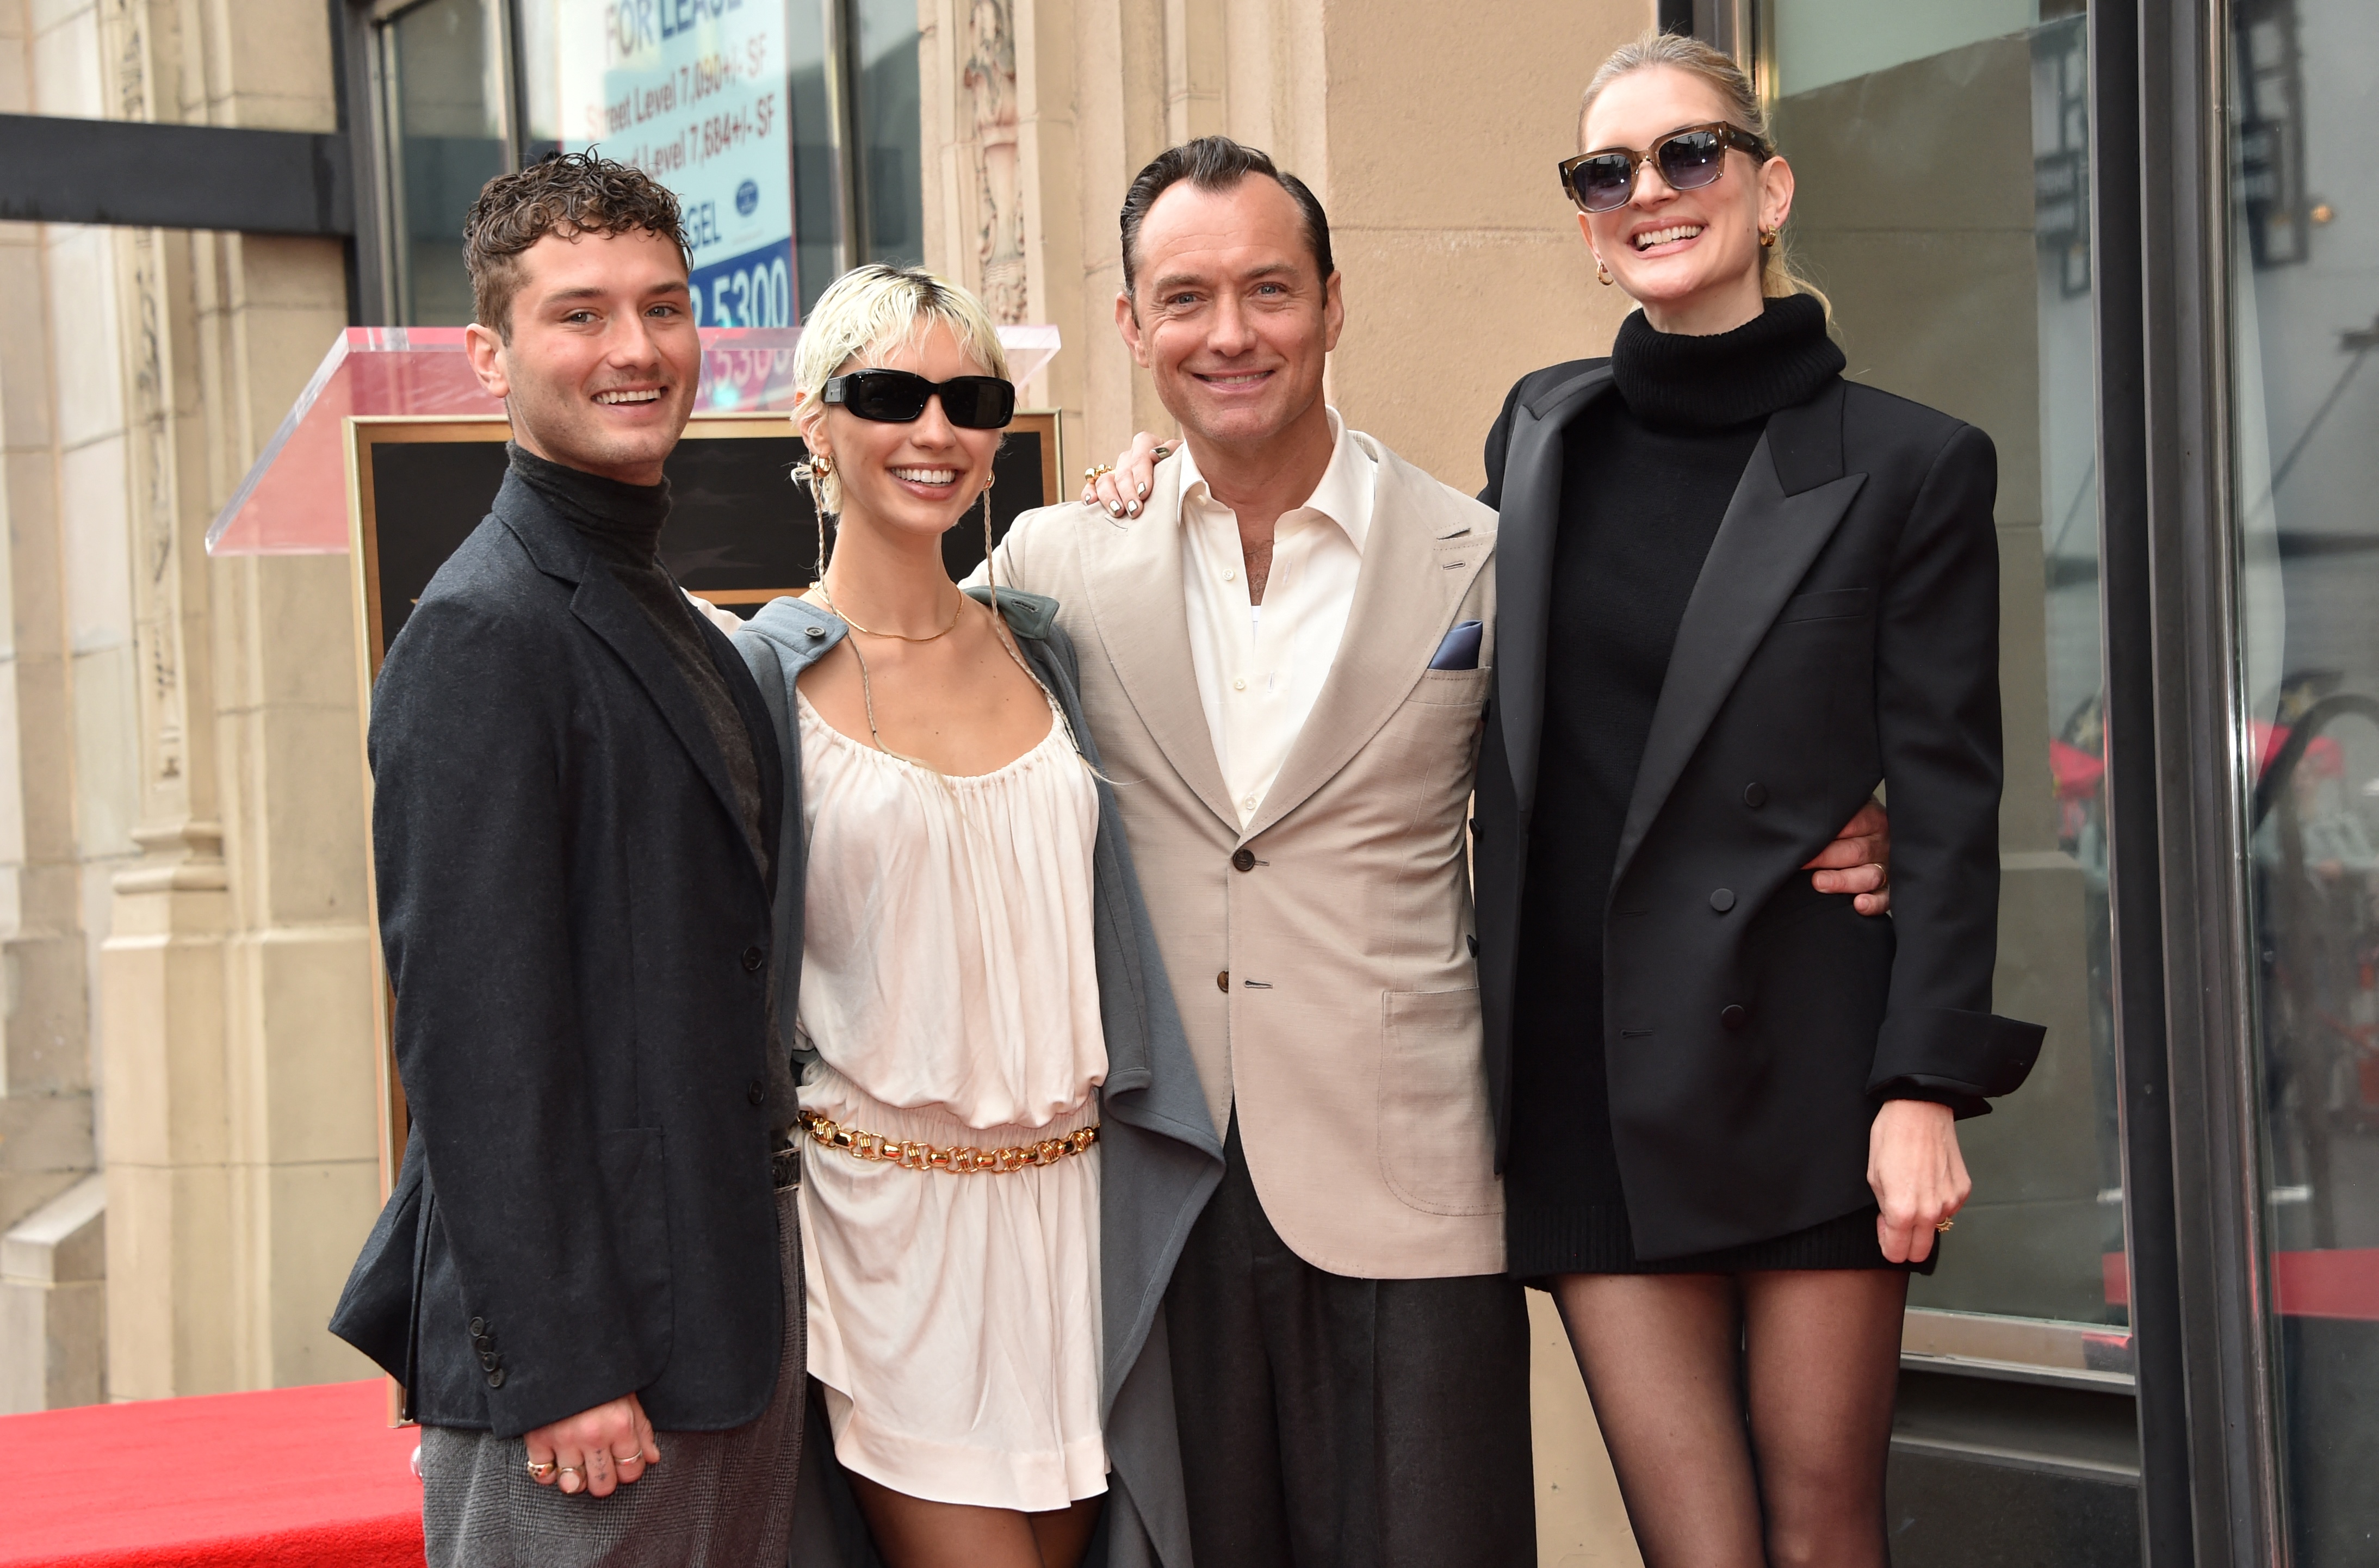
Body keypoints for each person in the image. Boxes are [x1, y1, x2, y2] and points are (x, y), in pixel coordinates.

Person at [1019, 137, 1895, 1568]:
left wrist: (1844, 820)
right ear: (1128, 324)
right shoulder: (1052, 565)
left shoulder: (1485, 554)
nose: (1227, 332)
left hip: (1413, 1181)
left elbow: (1651, 763)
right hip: (1152, 1178)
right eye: (1183, 298)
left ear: (1331, 301)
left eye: (1266, 289)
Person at [1477, 33, 2043, 1568]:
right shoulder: (1537, 434)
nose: (1646, 191)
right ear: (1585, 222)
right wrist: (1159, 478)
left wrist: (1917, 1085)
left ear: (1766, 183)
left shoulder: (1910, 463)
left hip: (1803, 1056)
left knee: (1816, 1531)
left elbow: (1942, 797)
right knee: (1695, 1552)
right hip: (1582, 1069)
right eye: (1606, 171)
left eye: (1686, 154)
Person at [329, 152, 808, 1565]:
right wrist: (560, 1359)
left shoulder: (657, 609)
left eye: (662, 308)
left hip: (722, 1316)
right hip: (594, 1370)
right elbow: (472, 1042)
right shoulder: (484, 630)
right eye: (580, 314)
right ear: (490, 353)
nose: (634, 348)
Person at [727, 264, 1218, 1568]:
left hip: (1070, 1219)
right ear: (814, 422)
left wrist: (1152, 478)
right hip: (884, 1231)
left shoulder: (1046, 641)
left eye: (973, 396)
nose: (935, 429)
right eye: (891, 393)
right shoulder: (755, 682)